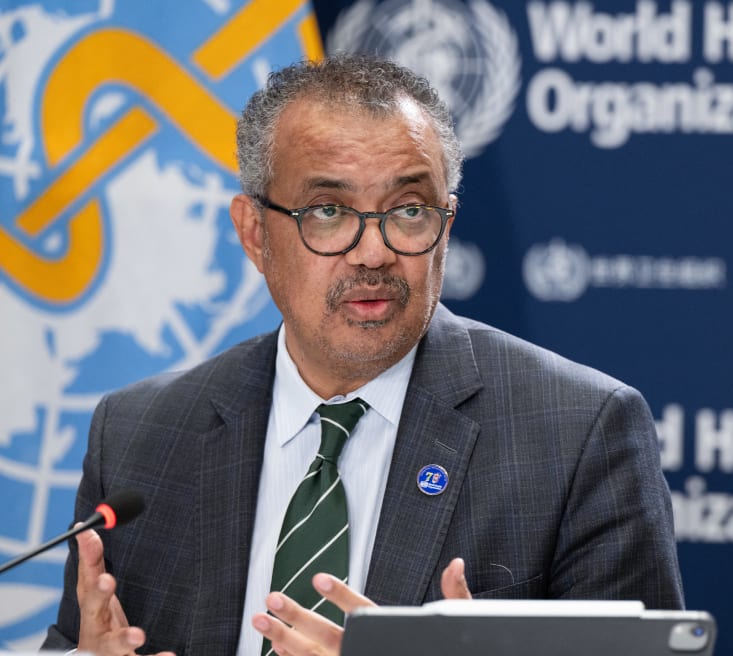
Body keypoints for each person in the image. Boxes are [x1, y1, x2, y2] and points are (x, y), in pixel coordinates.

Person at [43, 53, 684, 656]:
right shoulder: (138, 437)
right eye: (328, 210)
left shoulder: (577, 435)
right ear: (254, 234)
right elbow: (78, 640)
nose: (373, 252)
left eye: (407, 210)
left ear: (447, 226)